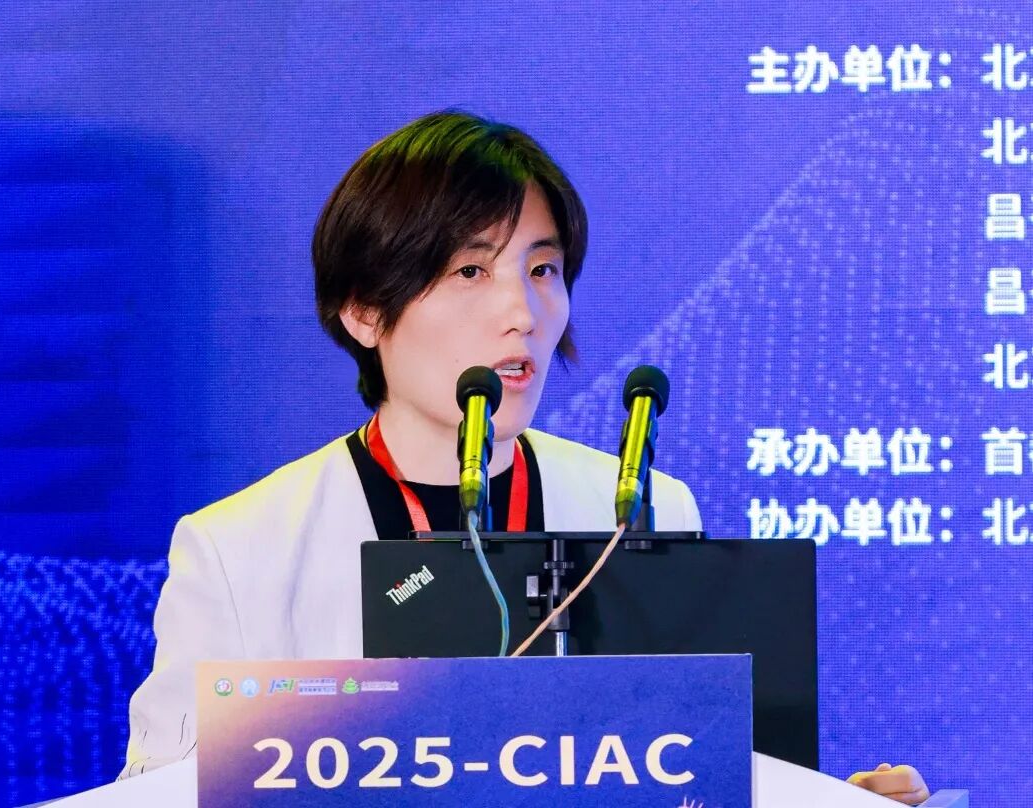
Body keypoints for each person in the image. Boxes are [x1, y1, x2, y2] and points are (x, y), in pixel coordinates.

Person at [122, 111, 927, 804]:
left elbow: (696, 773)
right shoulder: (239, 549)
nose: (524, 312)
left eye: (543, 269)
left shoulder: (638, 510)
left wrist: (817, 802)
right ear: (364, 309)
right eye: (471, 270)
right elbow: (159, 792)